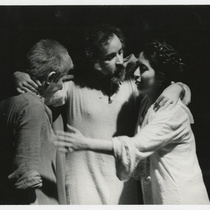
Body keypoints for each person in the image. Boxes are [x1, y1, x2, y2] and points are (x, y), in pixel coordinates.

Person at [14, 25, 191, 204]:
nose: (120, 61)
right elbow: (40, 89)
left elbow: (174, 98)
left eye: (121, 52)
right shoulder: (72, 87)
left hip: (124, 186)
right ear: (94, 61)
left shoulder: (133, 85)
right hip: (82, 187)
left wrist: (178, 87)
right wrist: (17, 75)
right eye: (110, 57)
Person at [55, 40, 209, 204]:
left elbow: (136, 145)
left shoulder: (171, 112)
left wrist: (84, 143)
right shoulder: (147, 100)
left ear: (161, 76)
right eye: (137, 66)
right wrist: (178, 86)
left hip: (182, 197)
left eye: (142, 69)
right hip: (163, 194)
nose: (135, 73)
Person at [0, 39, 73, 204]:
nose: (62, 86)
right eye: (62, 79)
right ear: (50, 77)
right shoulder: (32, 107)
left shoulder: (12, 103)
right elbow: (26, 176)